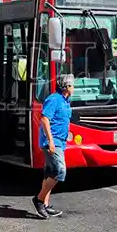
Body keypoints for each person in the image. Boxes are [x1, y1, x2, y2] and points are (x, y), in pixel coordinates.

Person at [32, 73, 74, 220]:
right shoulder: (54, 99)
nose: (74, 87)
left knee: (50, 171)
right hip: (52, 141)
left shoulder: (66, 100)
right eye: (72, 85)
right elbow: (44, 119)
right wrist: (50, 141)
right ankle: (38, 200)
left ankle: (44, 204)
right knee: (60, 171)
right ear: (66, 87)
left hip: (60, 141)